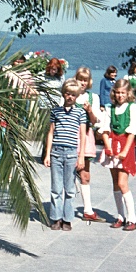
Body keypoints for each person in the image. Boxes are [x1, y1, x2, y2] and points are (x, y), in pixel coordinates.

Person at [43, 79, 87, 231]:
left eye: (73, 95)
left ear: (77, 96)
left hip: (71, 153)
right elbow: (51, 133)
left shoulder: (80, 113)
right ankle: (56, 217)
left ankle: (67, 219)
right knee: (56, 188)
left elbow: (82, 135)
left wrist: (81, 156)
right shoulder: (55, 111)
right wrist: (47, 154)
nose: (70, 97)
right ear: (63, 94)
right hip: (56, 152)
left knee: (69, 188)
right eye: (67, 94)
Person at [99, 79, 136, 231]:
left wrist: (124, 151)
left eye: (122, 93)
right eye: (117, 92)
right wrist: (108, 147)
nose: (119, 95)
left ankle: (132, 218)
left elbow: (132, 132)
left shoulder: (133, 108)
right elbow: (105, 130)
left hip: (125, 145)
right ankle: (120, 216)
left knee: (123, 182)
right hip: (113, 145)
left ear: (128, 93)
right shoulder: (109, 108)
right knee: (115, 183)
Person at [73, 67, 106, 222]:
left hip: (86, 137)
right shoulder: (70, 95)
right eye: (80, 79)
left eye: (85, 80)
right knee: (69, 172)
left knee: (85, 174)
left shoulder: (93, 97)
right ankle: (63, 208)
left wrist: (90, 110)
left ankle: (87, 209)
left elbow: (95, 121)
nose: (83, 83)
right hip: (71, 136)